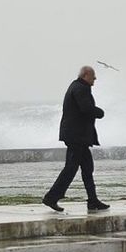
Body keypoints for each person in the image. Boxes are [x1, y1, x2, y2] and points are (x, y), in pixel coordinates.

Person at [42, 66, 110, 212]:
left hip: (77, 137)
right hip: (76, 137)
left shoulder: (77, 86)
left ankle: (92, 200)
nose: (95, 79)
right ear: (86, 75)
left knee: (87, 169)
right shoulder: (81, 88)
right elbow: (85, 108)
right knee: (71, 169)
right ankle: (51, 197)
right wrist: (100, 112)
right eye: (93, 76)